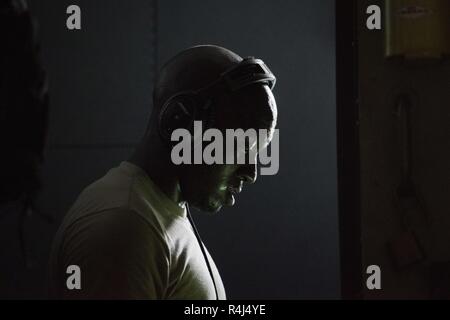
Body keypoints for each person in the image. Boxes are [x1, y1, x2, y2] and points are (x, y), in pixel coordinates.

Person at [48, 45, 278, 299]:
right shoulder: (124, 228)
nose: (251, 172)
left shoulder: (152, 216)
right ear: (181, 122)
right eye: (242, 146)